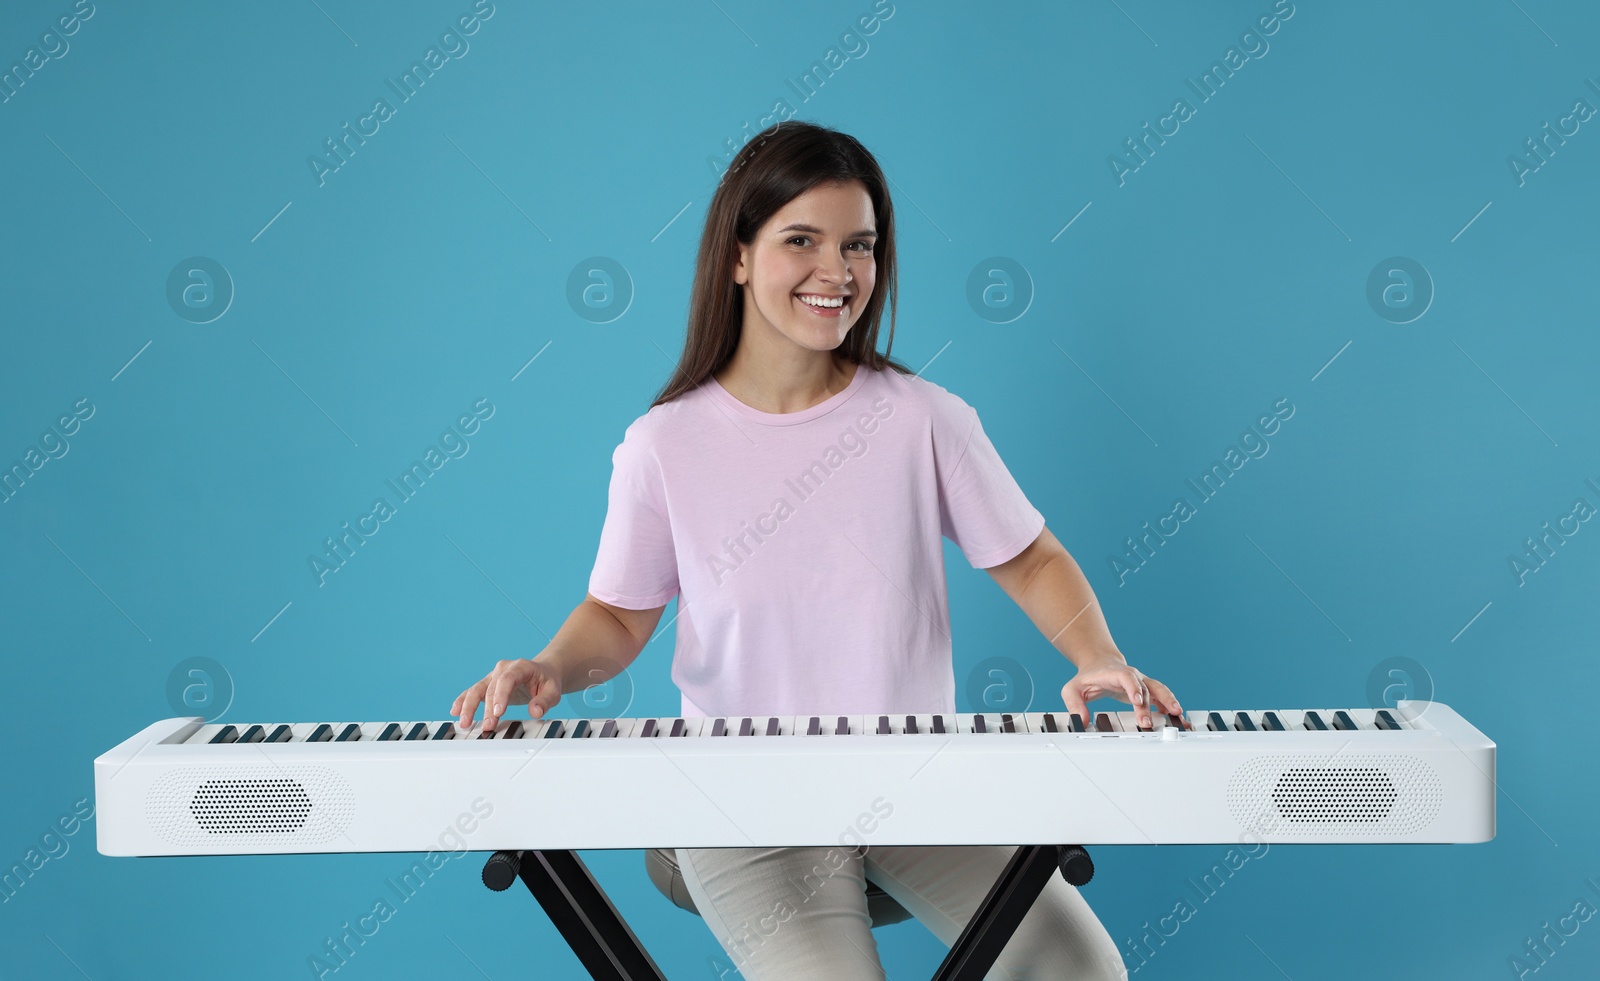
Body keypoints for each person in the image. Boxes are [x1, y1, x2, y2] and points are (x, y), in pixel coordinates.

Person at [451, 121, 1180, 980]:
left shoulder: (925, 419)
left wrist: (1100, 655)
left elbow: (1030, 557)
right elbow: (619, 611)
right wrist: (551, 666)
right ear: (738, 256)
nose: (839, 273)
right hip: (741, 800)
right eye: (803, 240)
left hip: (916, 784)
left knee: (1078, 968)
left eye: (860, 246)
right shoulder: (663, 444)